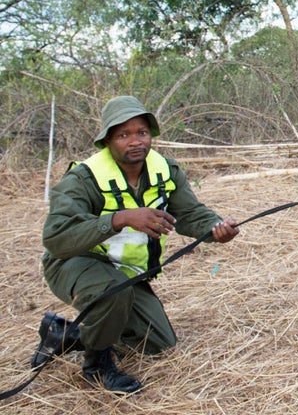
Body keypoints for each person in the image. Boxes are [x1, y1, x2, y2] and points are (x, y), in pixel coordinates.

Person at [32, 95, 239, 394]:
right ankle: (97, 368)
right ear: (107, 141)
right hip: (72, 263)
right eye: (123, 135)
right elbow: (56, 238)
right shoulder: (83, 179)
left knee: (157, 343)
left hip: (124, 272)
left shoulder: (166, 171)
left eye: (141, 132)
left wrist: (215, 227)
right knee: (111, 291)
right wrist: (120, 219)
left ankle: (65, 334)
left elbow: (190, 213)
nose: (135, 141)